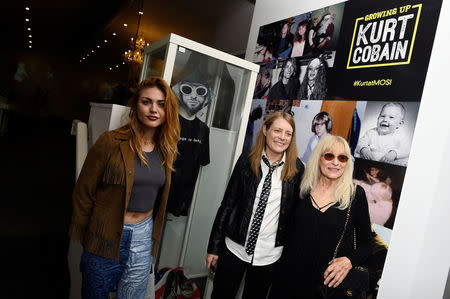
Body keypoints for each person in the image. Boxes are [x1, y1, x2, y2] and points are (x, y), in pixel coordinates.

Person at [69, 76, 180, 299]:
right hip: (106, 231)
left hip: (143, 234)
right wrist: (88, 236)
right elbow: (83, 191)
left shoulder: (167, 149)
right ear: (135, 105)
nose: (154, 109)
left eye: (161, 104)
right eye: (146, 102)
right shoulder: (110, 141)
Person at [206, 112, 305, 299]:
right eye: (277, 130)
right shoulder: (246, 161)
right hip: (234, 248)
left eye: (288, 133)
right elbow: (227, 205)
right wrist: (214, 247)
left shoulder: (297, 170)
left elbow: (295, 218)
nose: (282, 137)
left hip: (269, 257)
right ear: (265, 129)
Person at [270, 135, 372, 298]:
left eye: (342, 158)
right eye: (329, 156)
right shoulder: (301, 187)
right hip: (287, 279)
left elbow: (367, 243)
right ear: (319, 158)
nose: (336, 162)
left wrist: (348, 261)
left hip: (325, 286)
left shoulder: (355, 195)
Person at [167, 71, 212, 216]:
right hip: (160, 192)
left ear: (206, 98)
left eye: (200, 92)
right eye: (187, 89)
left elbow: (203, 160)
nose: (193, 96)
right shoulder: (168, 122)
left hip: (182, 197)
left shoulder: (203, 129)